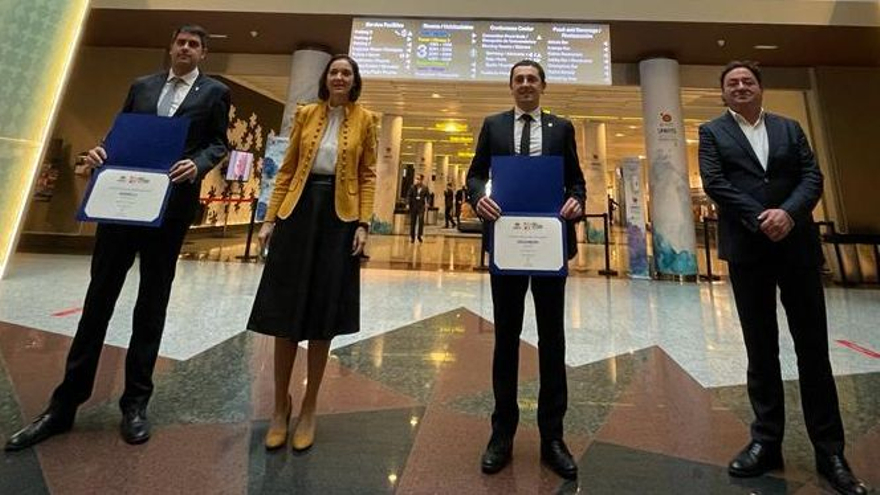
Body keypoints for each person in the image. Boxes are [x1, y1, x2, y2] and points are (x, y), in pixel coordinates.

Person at [4, 25, 230, 451]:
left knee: (152, 304)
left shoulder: (214, 94)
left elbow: (219, 143)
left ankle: (135, 403)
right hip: (121, 206)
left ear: (203, 55)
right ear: (171, 46)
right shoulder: (141, 86)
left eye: (194, 45)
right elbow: (118, 135)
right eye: (180, 41)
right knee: (98, 301)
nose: (185, 48)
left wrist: (198, 165)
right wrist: (99, 152)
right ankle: (64, 404)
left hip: (169, 209)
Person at [699, 61, 867, 495]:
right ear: (724, 93)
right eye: (732, 83)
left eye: (747, 81)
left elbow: (813, 177)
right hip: (748, 251)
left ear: (760, 89)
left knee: (813, 350)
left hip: (797, 248)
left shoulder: (790, 128)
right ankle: (765, 441)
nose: (740, 87)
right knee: (761, 349)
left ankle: (830, 450)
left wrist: (788, 214)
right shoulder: (712, 132)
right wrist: (761, 218)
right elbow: (716, 183)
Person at [247, 54, 377, 452]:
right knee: (286, 312)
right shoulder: (305, 114)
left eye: (346, 73)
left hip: (339, 219)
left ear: (354, 81)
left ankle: (308, 406)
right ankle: (279, 407)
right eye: (334, 72)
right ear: (326, 79)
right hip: (297, 214)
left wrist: (363, 224)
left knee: (323, 315)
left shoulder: (366, 119)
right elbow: (286, 170)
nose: (339, 77)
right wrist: (270, 219)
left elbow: (368, 173)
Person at [466, 60, 585, 480]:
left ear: (543, 86)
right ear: (511, 87)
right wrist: (478, 197)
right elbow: (475, 176)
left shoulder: (562, 128)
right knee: (506, 339)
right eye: (519, 80)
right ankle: (502, 434)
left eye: (532, 79)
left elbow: (577, 182)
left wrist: (576, 202)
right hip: (508, 248)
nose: (526, 85)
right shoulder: (494, 125)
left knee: (553, 340)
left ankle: (553, 436)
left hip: (549, 248)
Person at [407, 173, 429, 242]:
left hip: (421, 207)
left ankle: (419, 235)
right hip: (413, 206)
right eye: (416, 179)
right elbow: (408, 196)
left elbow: (428, 196)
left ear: (422, 180)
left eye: (418, 179)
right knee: (413, 222)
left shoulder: (425, 188)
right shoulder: (412, 187)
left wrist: (427, 203)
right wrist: (407, 203)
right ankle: (412, 237)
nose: (417, 180)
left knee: (421, 221)